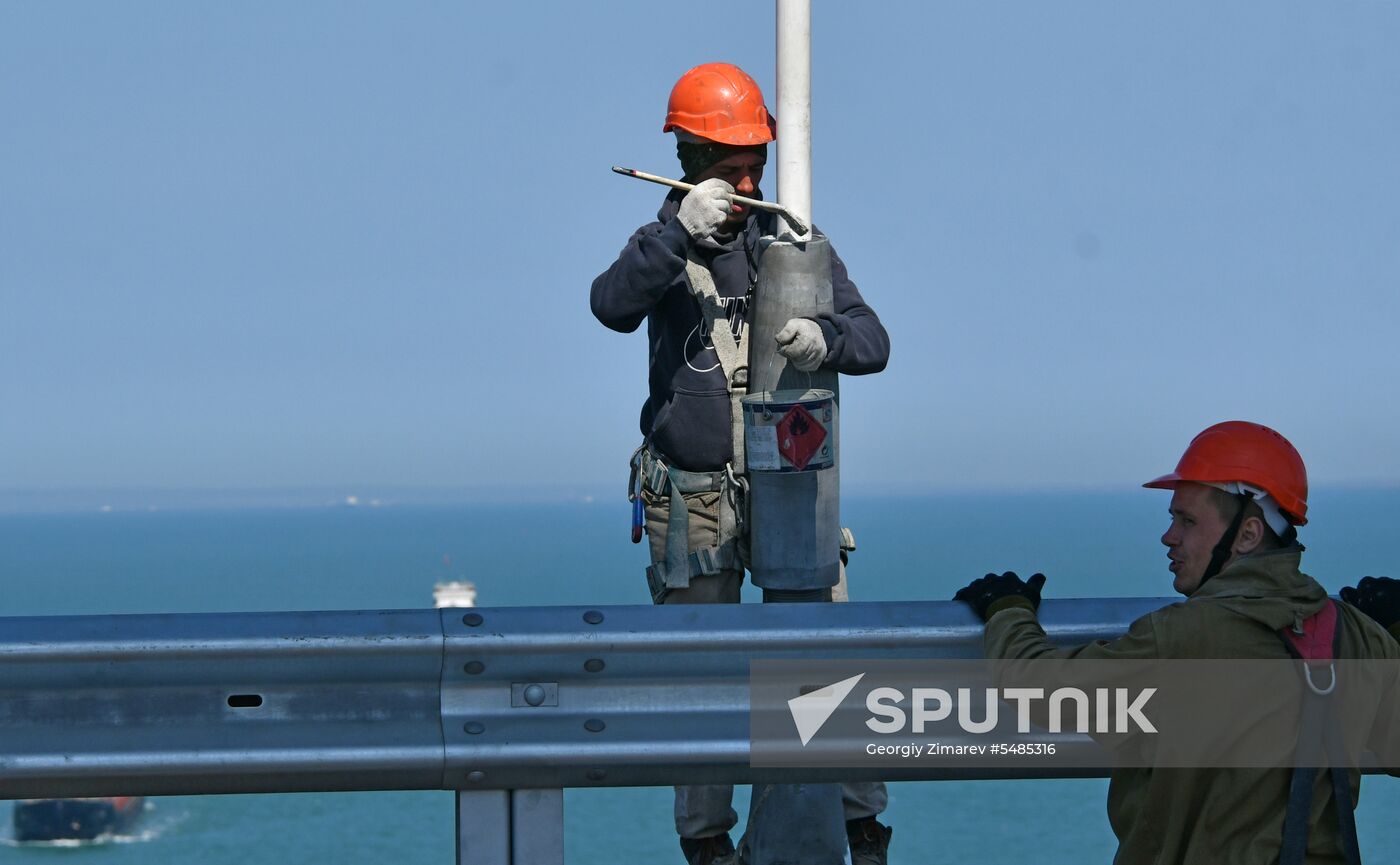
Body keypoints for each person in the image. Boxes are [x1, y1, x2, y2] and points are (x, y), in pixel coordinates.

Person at [591, 62, 891, 865]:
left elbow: (875, 340)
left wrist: (828, 338)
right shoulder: (659, 246)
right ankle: (708, 844)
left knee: (825, 650)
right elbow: (610, 304)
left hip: (790, 485)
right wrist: (678, 233)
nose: (749, 179)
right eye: (732, 167)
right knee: (704, 671)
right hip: (693, 499)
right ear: (688, 161)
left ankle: (860, 825)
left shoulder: (790, 242)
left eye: (757, 161)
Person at [954, 420, 1400, 865]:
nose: (1169, 537)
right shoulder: (1357, 635)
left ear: (1247, 535)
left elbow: (1041, 691)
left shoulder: (1181, 640)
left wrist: (1008, 610)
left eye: (1187, 521)